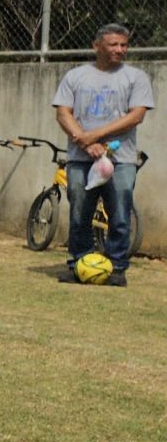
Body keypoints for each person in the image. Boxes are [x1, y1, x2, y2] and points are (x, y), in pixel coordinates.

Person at [53, 21, 151, 287]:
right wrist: (86, 144)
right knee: (79, 213)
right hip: (80, 158)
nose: (120, 50)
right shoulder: (75, 76)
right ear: (96, 46)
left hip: (121, 160)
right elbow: (63, 114)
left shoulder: (136, 77)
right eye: (114, 45)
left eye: (124, 45)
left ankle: (117, 267)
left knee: (119, 213)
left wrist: (94, 136)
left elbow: (136, 116)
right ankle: (78, 265)